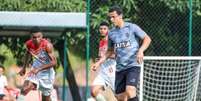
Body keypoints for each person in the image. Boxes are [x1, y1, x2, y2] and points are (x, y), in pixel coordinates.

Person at [91, 6, 151, 101]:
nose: (111, 19)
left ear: (120, 16)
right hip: (119, 69)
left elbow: (147, 38)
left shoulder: (131, 27)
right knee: (120, 97)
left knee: (130, 90)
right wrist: (98, 63)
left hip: (132, 65)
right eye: (110, 17)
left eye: (113, 17)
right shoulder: (111, 33)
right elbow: (110, 51)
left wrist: (141, 50)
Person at [17, 27, 57, 101]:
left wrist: (39, 69)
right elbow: (28, 53)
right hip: (35, 69)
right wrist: (24, 67)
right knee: (24, 90)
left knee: (45, 99)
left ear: (42, 36)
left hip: (47, 74)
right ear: (31, 37)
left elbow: (54, 62)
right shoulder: (29, 44)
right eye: (34, 37)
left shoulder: (47, 45)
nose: (37, 39)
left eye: (39, 37)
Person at [90, 22, 116, 101]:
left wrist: (105, 57)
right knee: (93, 92)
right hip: (103, 72)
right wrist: (99, 60)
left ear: (108, 30)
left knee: (120, 97)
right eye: (101, 29)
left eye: (104, 29)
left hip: (112, 72)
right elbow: (102, 56)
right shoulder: (101, 42)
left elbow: (116, 55)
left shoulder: (112, 41)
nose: (102, 30)